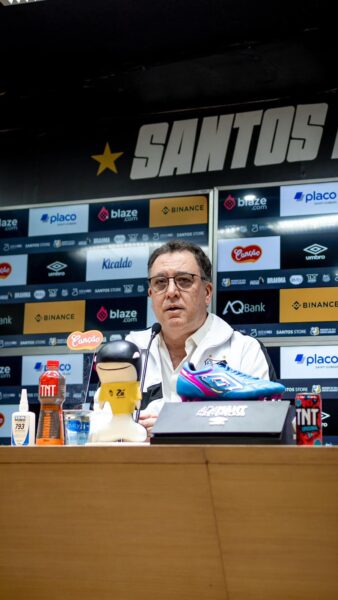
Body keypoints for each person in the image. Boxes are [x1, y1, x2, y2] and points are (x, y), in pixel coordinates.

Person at [126, 239, 275, 437]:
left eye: (184, 280)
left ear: (207, 292)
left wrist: (180, 425)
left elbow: (265, 424)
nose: (171, 292)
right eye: (160, 283)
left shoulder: (244, 350)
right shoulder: (130, 351)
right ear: (151, 294)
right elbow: (104, 422)